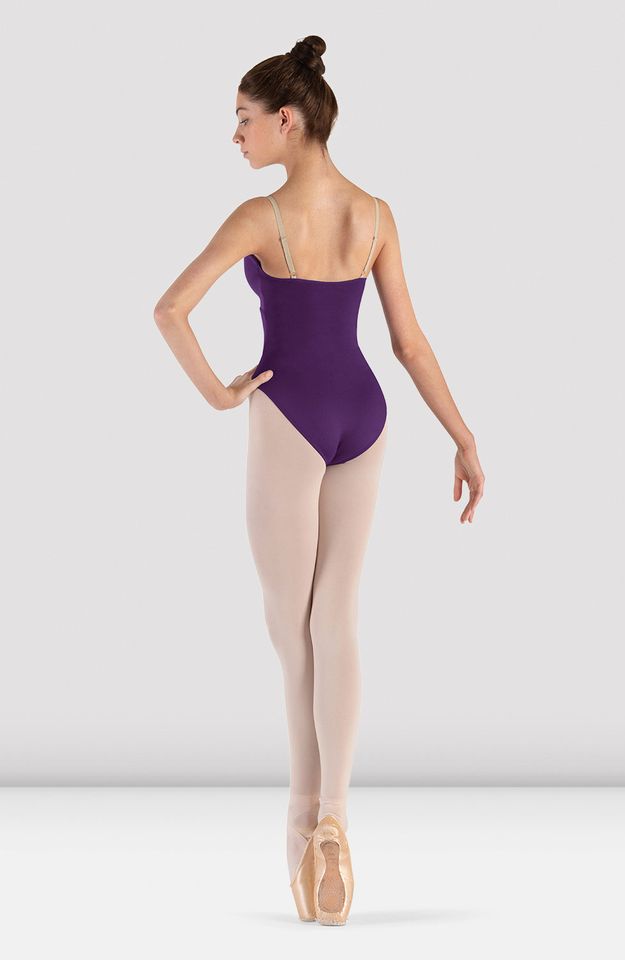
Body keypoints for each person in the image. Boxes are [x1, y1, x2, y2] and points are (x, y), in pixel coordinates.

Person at [154, 34, 485, 925]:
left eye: (244, 119)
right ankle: (338, 813)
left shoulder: (260, 216)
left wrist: (220, 393)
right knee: (336, 616)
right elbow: (410, 344)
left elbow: (170, 308)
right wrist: (463, 438)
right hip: (364, 415)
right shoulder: (376, 214)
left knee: (289, 629)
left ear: (288, 121)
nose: (236, 136)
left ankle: (306, 821)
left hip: (290, 411)